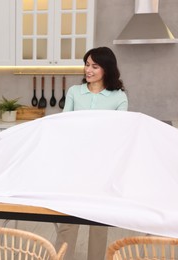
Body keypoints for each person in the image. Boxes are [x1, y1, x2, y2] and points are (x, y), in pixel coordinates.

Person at [56, 46, 128, 260]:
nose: (88, 70)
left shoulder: (119, 97)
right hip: (74, 165)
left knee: (99, 222)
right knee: (68, 220)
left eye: (94, 66)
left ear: (106, 68)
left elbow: (118, 135)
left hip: (103, 167)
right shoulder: (74, 92)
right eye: (87, 65)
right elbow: (63, 126)